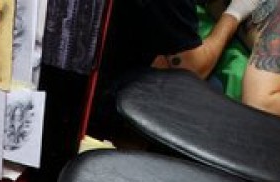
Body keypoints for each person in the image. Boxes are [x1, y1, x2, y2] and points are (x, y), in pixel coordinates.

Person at [88, 0, 264, 137]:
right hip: (95, 95)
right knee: (213, 95)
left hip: (97, 50)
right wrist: (234, 14)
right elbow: (191, 69)